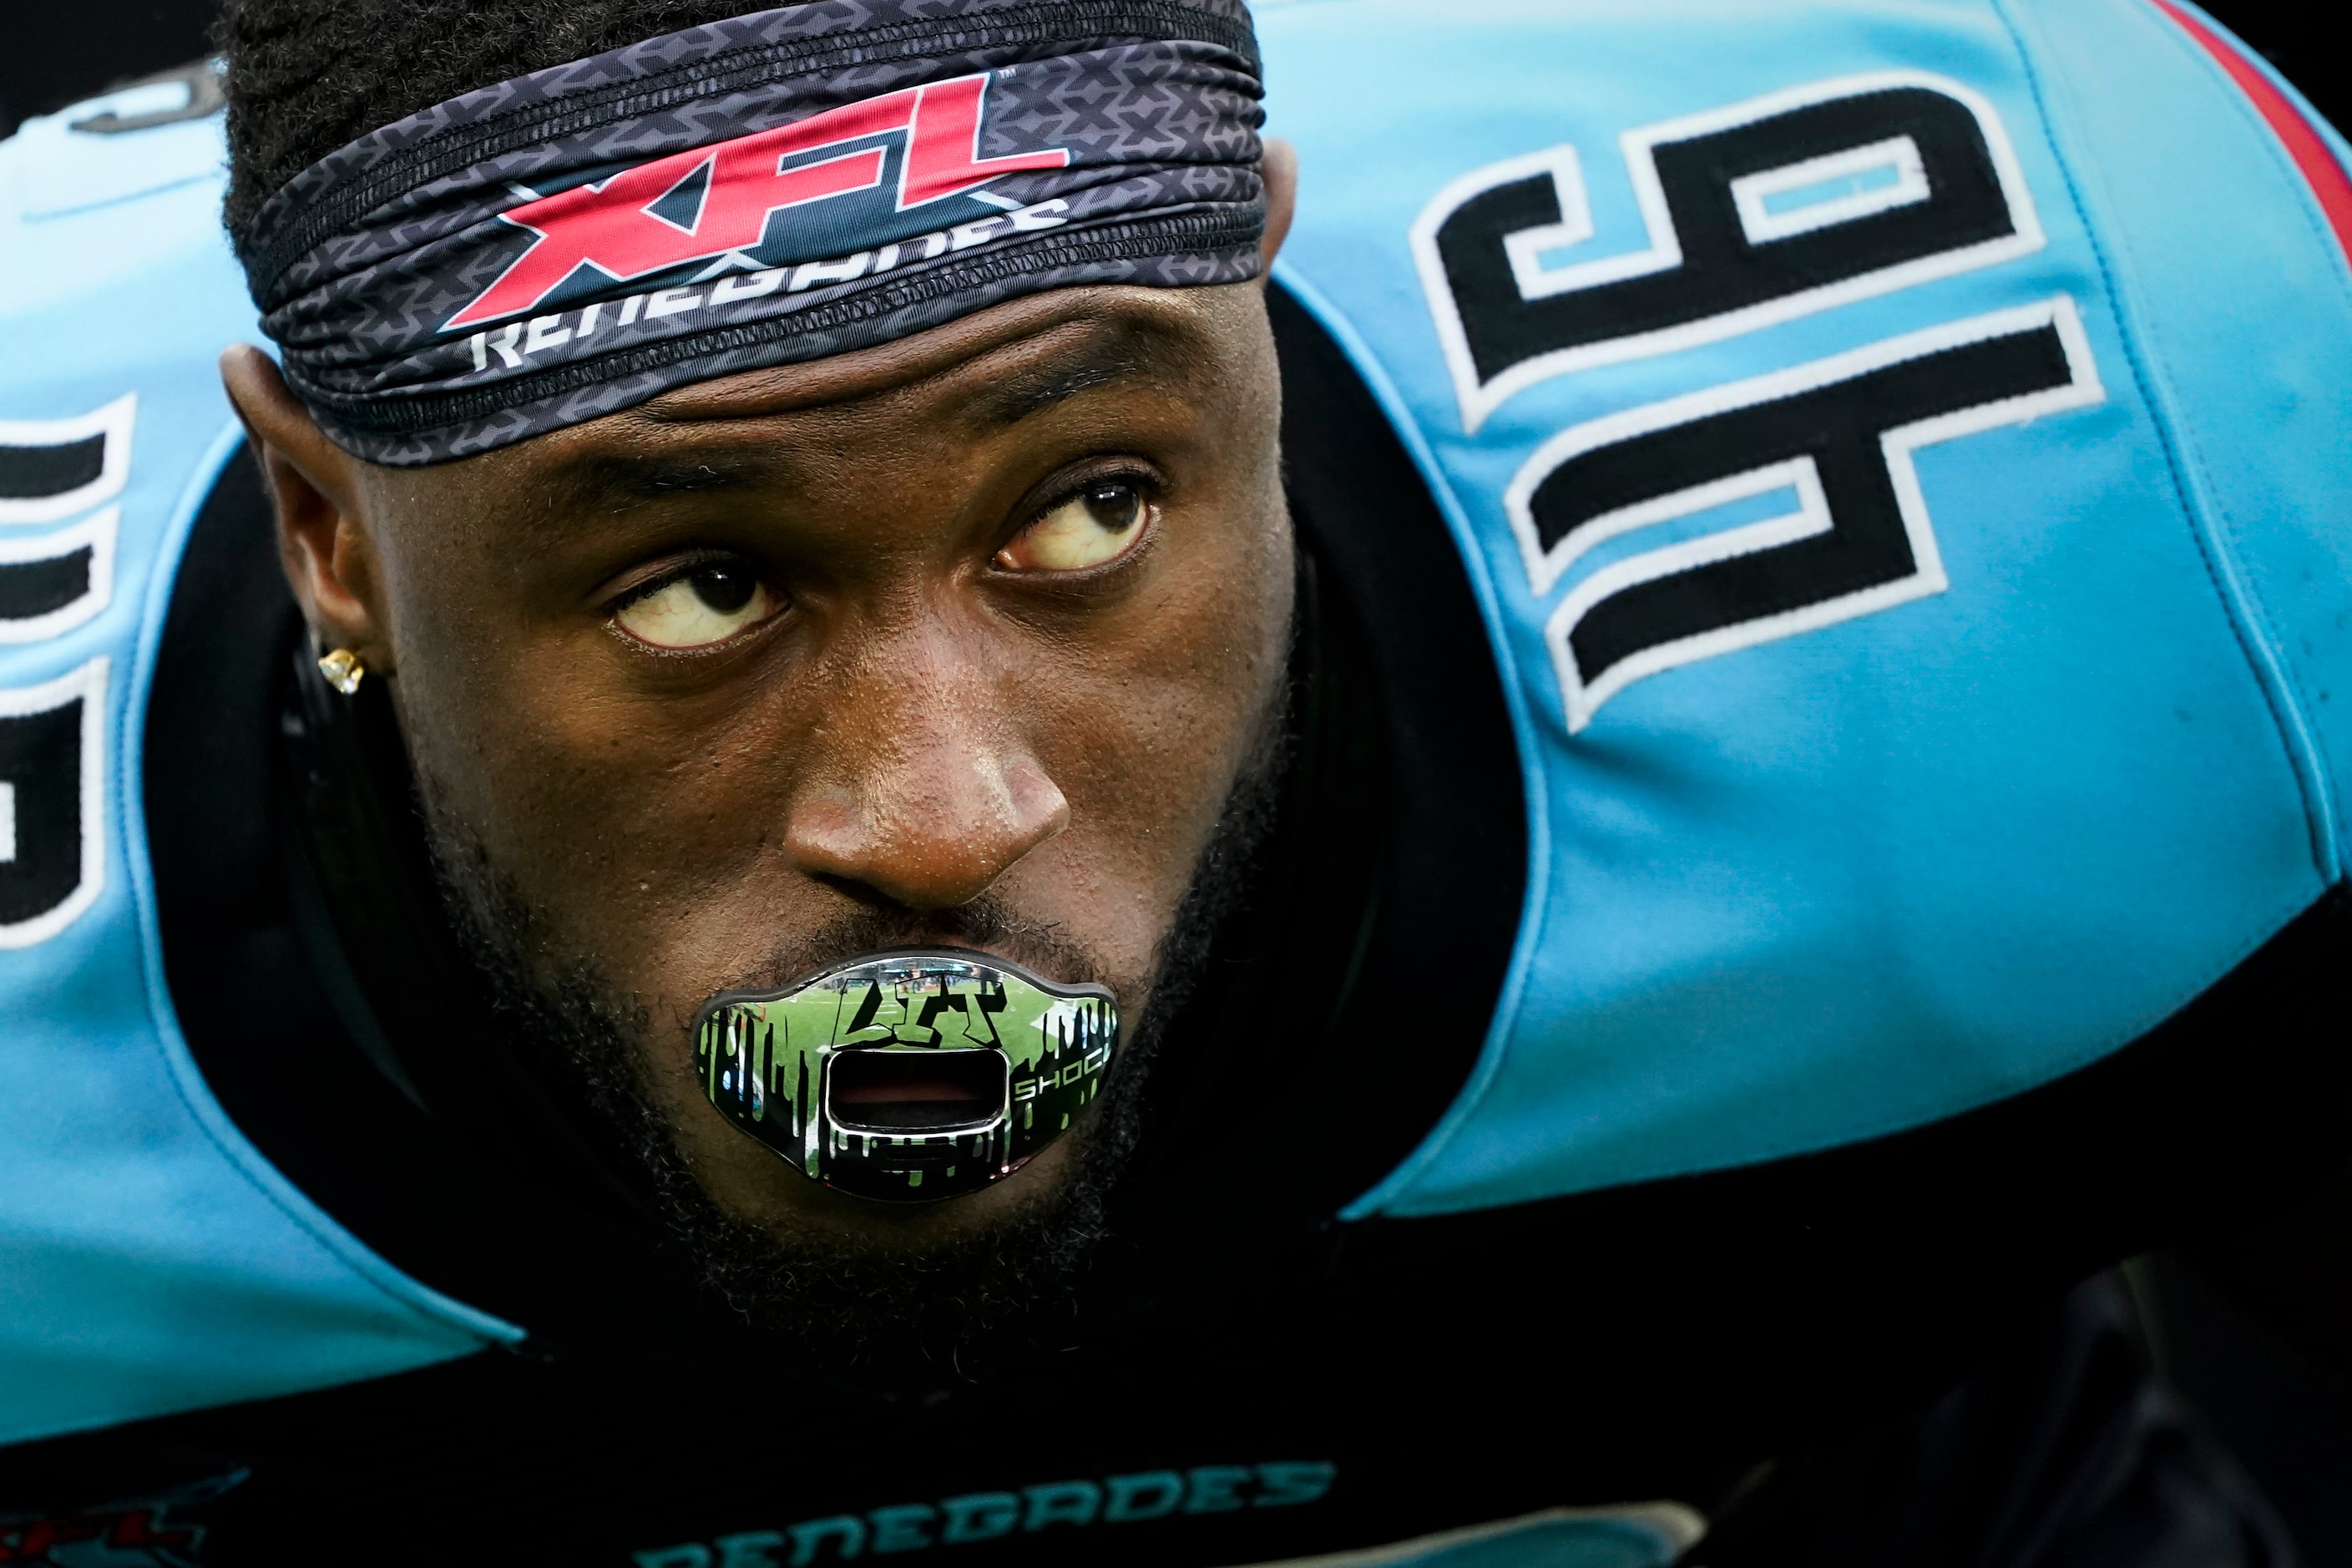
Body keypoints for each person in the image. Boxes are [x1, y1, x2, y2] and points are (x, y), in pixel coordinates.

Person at [3, 0, 2347, 1563]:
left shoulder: (2196, 469)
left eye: (1084, 514)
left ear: (1261, 339)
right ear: (331, 538)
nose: (936, 813)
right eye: (702, 591)